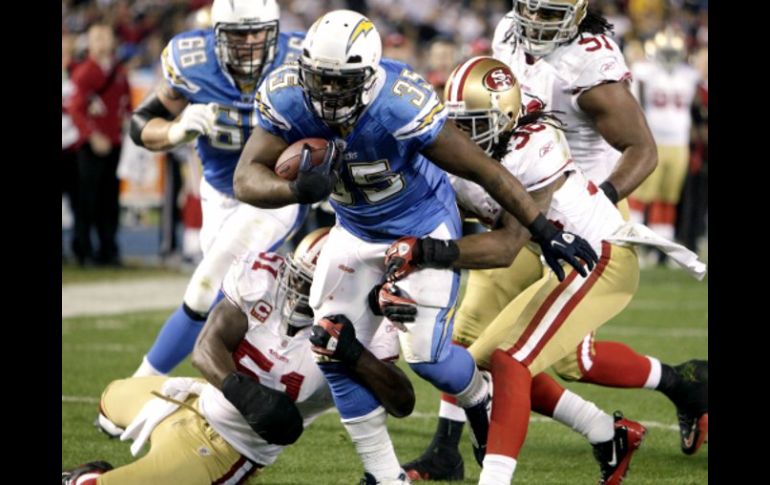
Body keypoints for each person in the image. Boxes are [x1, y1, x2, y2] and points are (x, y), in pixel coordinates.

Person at [233, 9, 598, 484]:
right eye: (319, 80)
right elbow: (246, 178)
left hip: (423, 226)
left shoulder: (399, 102)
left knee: (428, 359)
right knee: (330, 343)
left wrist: (543, 229)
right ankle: (386, 477)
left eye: (340, 82)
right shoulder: (286, 96)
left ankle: (475, 397)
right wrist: (295, 191)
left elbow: (483, 170)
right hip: (354, 230)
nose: (326, 93)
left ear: (367, 78)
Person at [384, 57, 706, 484]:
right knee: (472, 367)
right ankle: (608, 435)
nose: (465, 136)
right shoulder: (462, 155)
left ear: (508, 115)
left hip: (600, 256)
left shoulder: (532, 144)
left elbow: (506, 245)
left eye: (478, 123)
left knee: (512, 362)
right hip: (558, 260)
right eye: (459, 124)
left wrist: (425, 251)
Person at [63, 228, 415, 485]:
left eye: (309, 285)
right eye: (298, 277)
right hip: (191, 398)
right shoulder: (264, 278)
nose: (295, 289)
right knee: (108, 403)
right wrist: (246, 393)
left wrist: (354, 354)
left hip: (223, 450)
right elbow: (206, 348)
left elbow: (402, 402)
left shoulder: (369, 327)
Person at [128, 0, 308, 377]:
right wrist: (177, 130)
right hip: (220, 194)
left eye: (258, 32)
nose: (249, 42)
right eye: (239, 34)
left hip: (272, 193)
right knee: (229, 297)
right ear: (217, 35)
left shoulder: (298, 61)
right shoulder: (193, 62)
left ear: (274, 32)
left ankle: (138, 388)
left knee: (204, 286)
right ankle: (256, 387)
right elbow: (141, 123)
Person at [628, 28, 701, 261]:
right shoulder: (645, 72)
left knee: (667, 198)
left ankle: (662, 253)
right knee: (640, 197)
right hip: (653, 142)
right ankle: (634, 248)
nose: (669, 56)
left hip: (679, 144)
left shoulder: (689, 75)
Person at [68, 24, 131, 267]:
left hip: (114, 142)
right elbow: (76, 109)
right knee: (87, 200)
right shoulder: (85, 72)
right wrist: (92, 136)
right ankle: (83, 251)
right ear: (90, 44)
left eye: (106, 36)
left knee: (110, 200)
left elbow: (126, 105)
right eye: (97, 37)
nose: (103, 41)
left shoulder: (118, 72)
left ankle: (108, 250)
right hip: (90, 147)